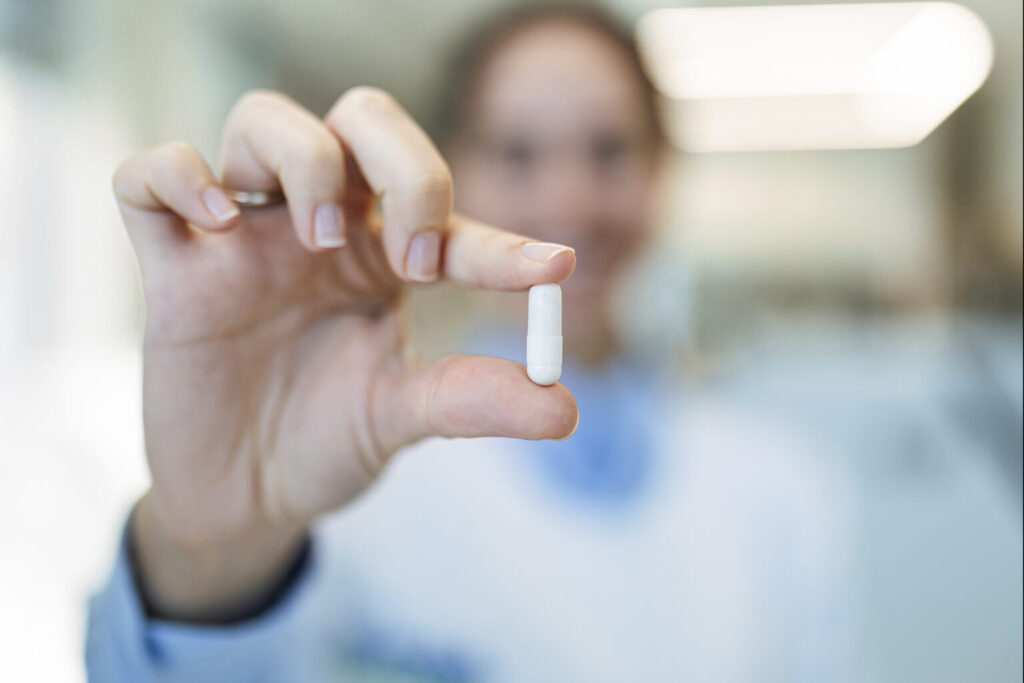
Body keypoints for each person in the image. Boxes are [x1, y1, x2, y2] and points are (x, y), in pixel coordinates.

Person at [87, 4, 852, 681]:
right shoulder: (343, 459)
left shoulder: (783, 491)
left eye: (610, 149)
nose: (567, 197)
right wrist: (208, 553)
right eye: (517, 151)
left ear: (662, 171)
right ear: (453, 171)